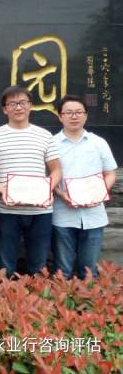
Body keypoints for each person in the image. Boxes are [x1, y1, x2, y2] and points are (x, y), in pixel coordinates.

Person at [0, 86, 62, 277]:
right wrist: (2, 190)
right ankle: (2, 297)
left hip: (40, 211)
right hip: (7, 210)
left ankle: (38, 297)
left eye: (22, 102)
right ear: (5, 109)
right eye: (12, 103)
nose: (18, 107)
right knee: (5, 266)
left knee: (39, 266)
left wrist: (47, 190)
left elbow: (56, 170)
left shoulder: (45, 135)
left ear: (30, 106)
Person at [52, 95, 117, 279]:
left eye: (78, 112)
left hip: (93, 216)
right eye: (69, 112)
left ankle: (88, 298)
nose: (74, 116)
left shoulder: (98, 143)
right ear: (60, 116)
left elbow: (111, 173)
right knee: (62, 271)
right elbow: (47, 178)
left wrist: (99, 193)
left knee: (89, 272)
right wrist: (61, 194)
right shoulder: (51, 144)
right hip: (62, 215)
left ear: (85, 116)